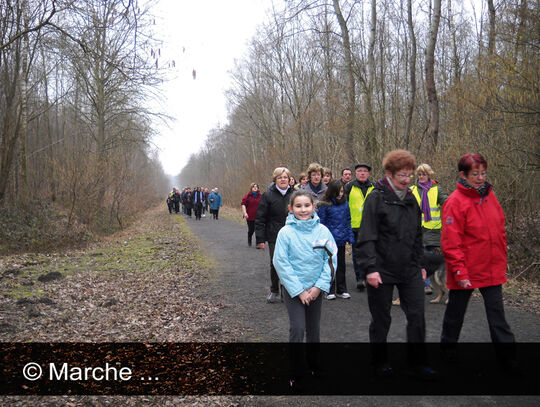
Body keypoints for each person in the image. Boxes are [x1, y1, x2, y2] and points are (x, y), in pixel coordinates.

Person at [354, 150, 435, 379]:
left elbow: (417, 235)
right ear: (389, 174)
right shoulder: (376, 198)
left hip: (409, 269)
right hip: (382, 269)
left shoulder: (411, 200)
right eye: (402, 175)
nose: (407, 180)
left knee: (417, 316)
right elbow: (366, 236)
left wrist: (419, 264)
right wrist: (369, 269)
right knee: (381, 319)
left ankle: (418, 362)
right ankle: (379, 362)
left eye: (409, 175)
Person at [440, 153, 516, 369]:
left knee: (497, 316)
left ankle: (508, 358)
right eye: (475, 174)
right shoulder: (455, 201)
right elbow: (451, 242)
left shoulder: (490, 196)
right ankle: (448, 349)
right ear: (463, 175)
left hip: (491, 268)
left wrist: (502, 258)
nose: (481, 178)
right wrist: (460, 272)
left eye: (483, 173)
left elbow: (499, 230)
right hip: (465, 269)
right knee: (455, 314)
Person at [273, 189, 337, 389]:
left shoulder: (323, 232)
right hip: (294, 291)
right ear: (291, 209)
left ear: (314, 207)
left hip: (315, 290)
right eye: (298, 206)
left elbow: (331, 261)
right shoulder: (286, 233)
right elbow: (281, 263)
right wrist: (299, 290)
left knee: (314, 330)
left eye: (307, 205)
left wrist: (318, 287)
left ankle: (314, 365)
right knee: (298, 328)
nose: (303, 209)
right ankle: (296, 370)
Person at [394, 163, 448, 305]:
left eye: (424, 174)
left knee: (422, 259)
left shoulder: (436, 189)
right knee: (417, 260)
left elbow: (448, 204)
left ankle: (424, 285)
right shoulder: (411, 190)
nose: (421, 176)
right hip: (415, 231)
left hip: (432, 230)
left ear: (429, 175)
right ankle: (424, 285)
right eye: (419, 174)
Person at [255, 167, 294, 303]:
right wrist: (260, 239)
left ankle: (287, 291)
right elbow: (260, 218)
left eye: (285, 177)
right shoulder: (268, 195)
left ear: (289, 180)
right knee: (276, 262)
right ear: (275, 180)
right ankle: (274, 290)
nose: (283, 180)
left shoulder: (295, 194)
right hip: (274, 235)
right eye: (280, 177)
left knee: (291, 262)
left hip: (292, 235)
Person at [317, 180, 355, 300]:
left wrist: (350, 236)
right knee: (329, 265)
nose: (340, 194)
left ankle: (341, 289)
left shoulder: (345, 203)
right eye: (338, 192)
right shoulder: (325, 204)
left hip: (341, 239)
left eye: (342, 192)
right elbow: (321, 223)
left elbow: (348, 220)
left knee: (341, 265)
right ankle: (328, 289)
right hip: (329, 240)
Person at [344, 163, 375, 290]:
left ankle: (370, 277)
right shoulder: (349, 186)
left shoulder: (375, 187)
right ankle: (360, 278)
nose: (362, 173)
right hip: (355, 226)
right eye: (359, 171)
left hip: (371, 227)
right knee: (357, 254)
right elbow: (344, 206)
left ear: (368, 174)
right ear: (355, 173)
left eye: (365, 171)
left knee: (371, 253)